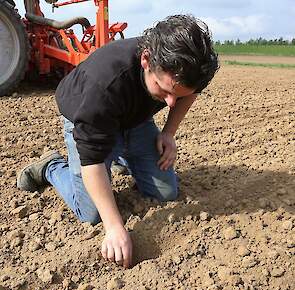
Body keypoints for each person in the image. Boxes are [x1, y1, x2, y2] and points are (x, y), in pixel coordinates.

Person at [17, 14, 219, 268]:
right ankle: (51, 166)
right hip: (85, 118)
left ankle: (121, 153)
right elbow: (92, 161)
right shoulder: (102, 87)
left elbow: (189, 94)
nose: (170, 102)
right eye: (164, 90)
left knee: (166, 193)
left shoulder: (183, 70)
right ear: (146, 60)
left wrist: (168, 133)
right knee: (91, 212)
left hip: (134, 120)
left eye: (176, 94)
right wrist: (114, 227)